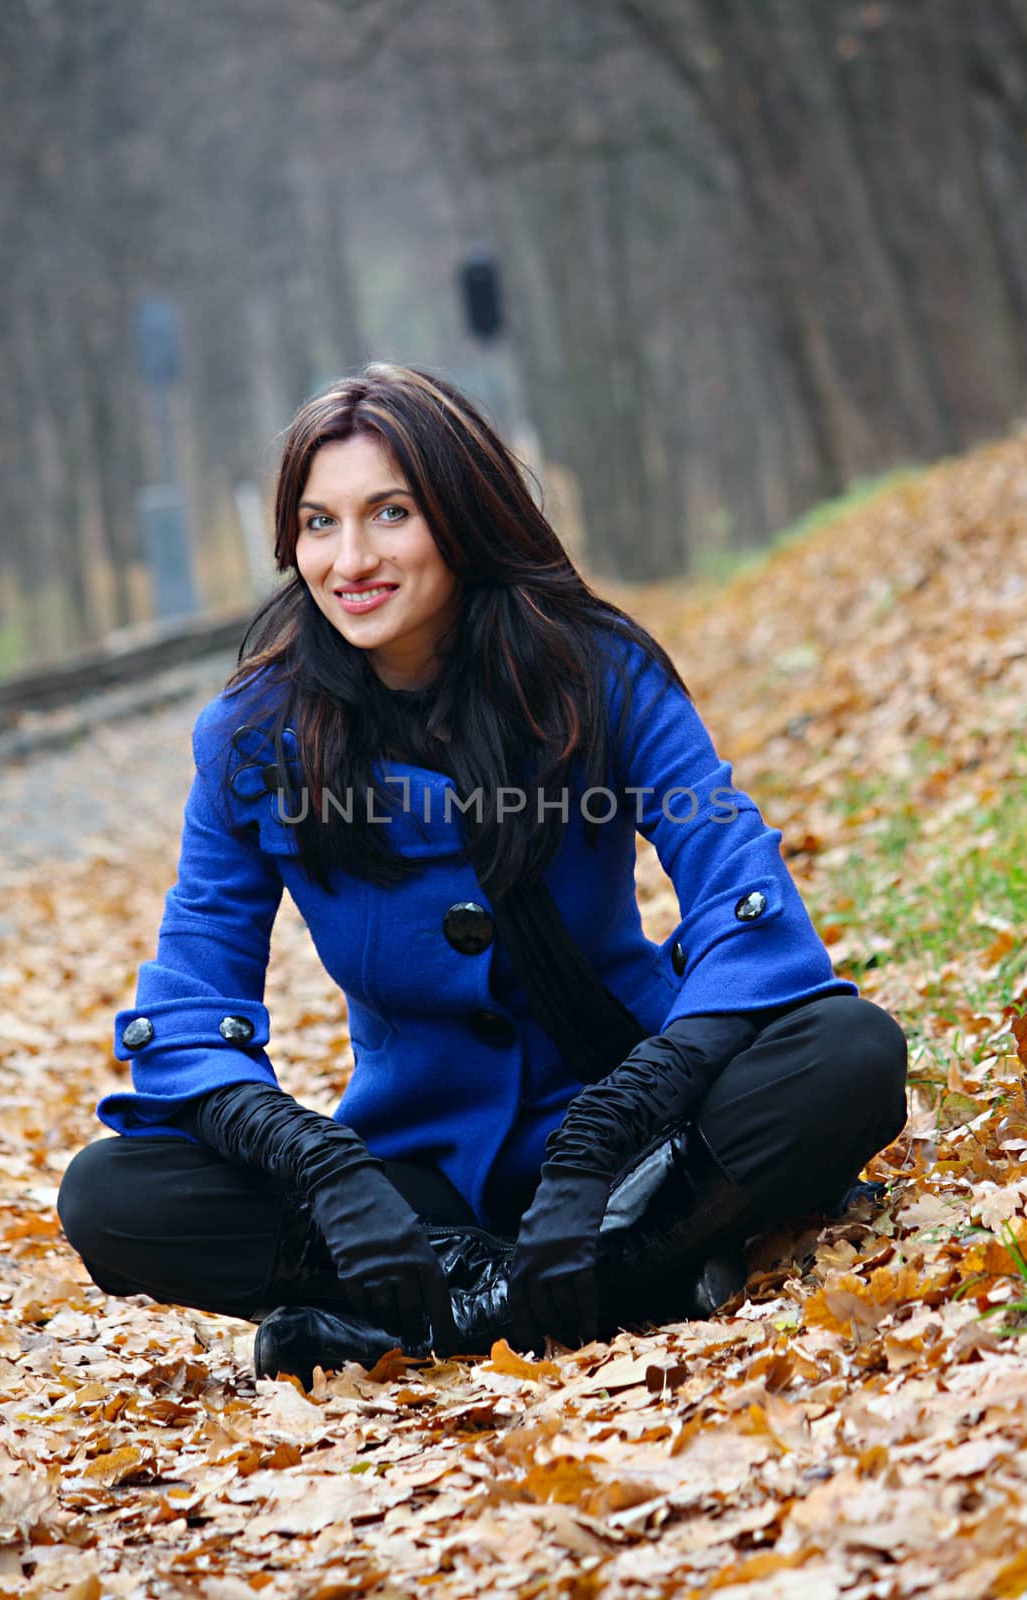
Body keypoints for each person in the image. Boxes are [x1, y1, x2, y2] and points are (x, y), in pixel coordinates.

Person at [57, 363, 908, 1385]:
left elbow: (738, 891)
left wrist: (608, 1126)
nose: (351, 558)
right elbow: (191, 1013)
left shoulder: (593, 671)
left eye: (389, 513)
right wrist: (325, 1167)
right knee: (112, 1192)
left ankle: (448, 1314)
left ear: (460, 514)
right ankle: (619, 1277)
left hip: (634, 1127)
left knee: (847, 1050)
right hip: (422, 1176)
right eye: (318, 524)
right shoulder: (254, 740)